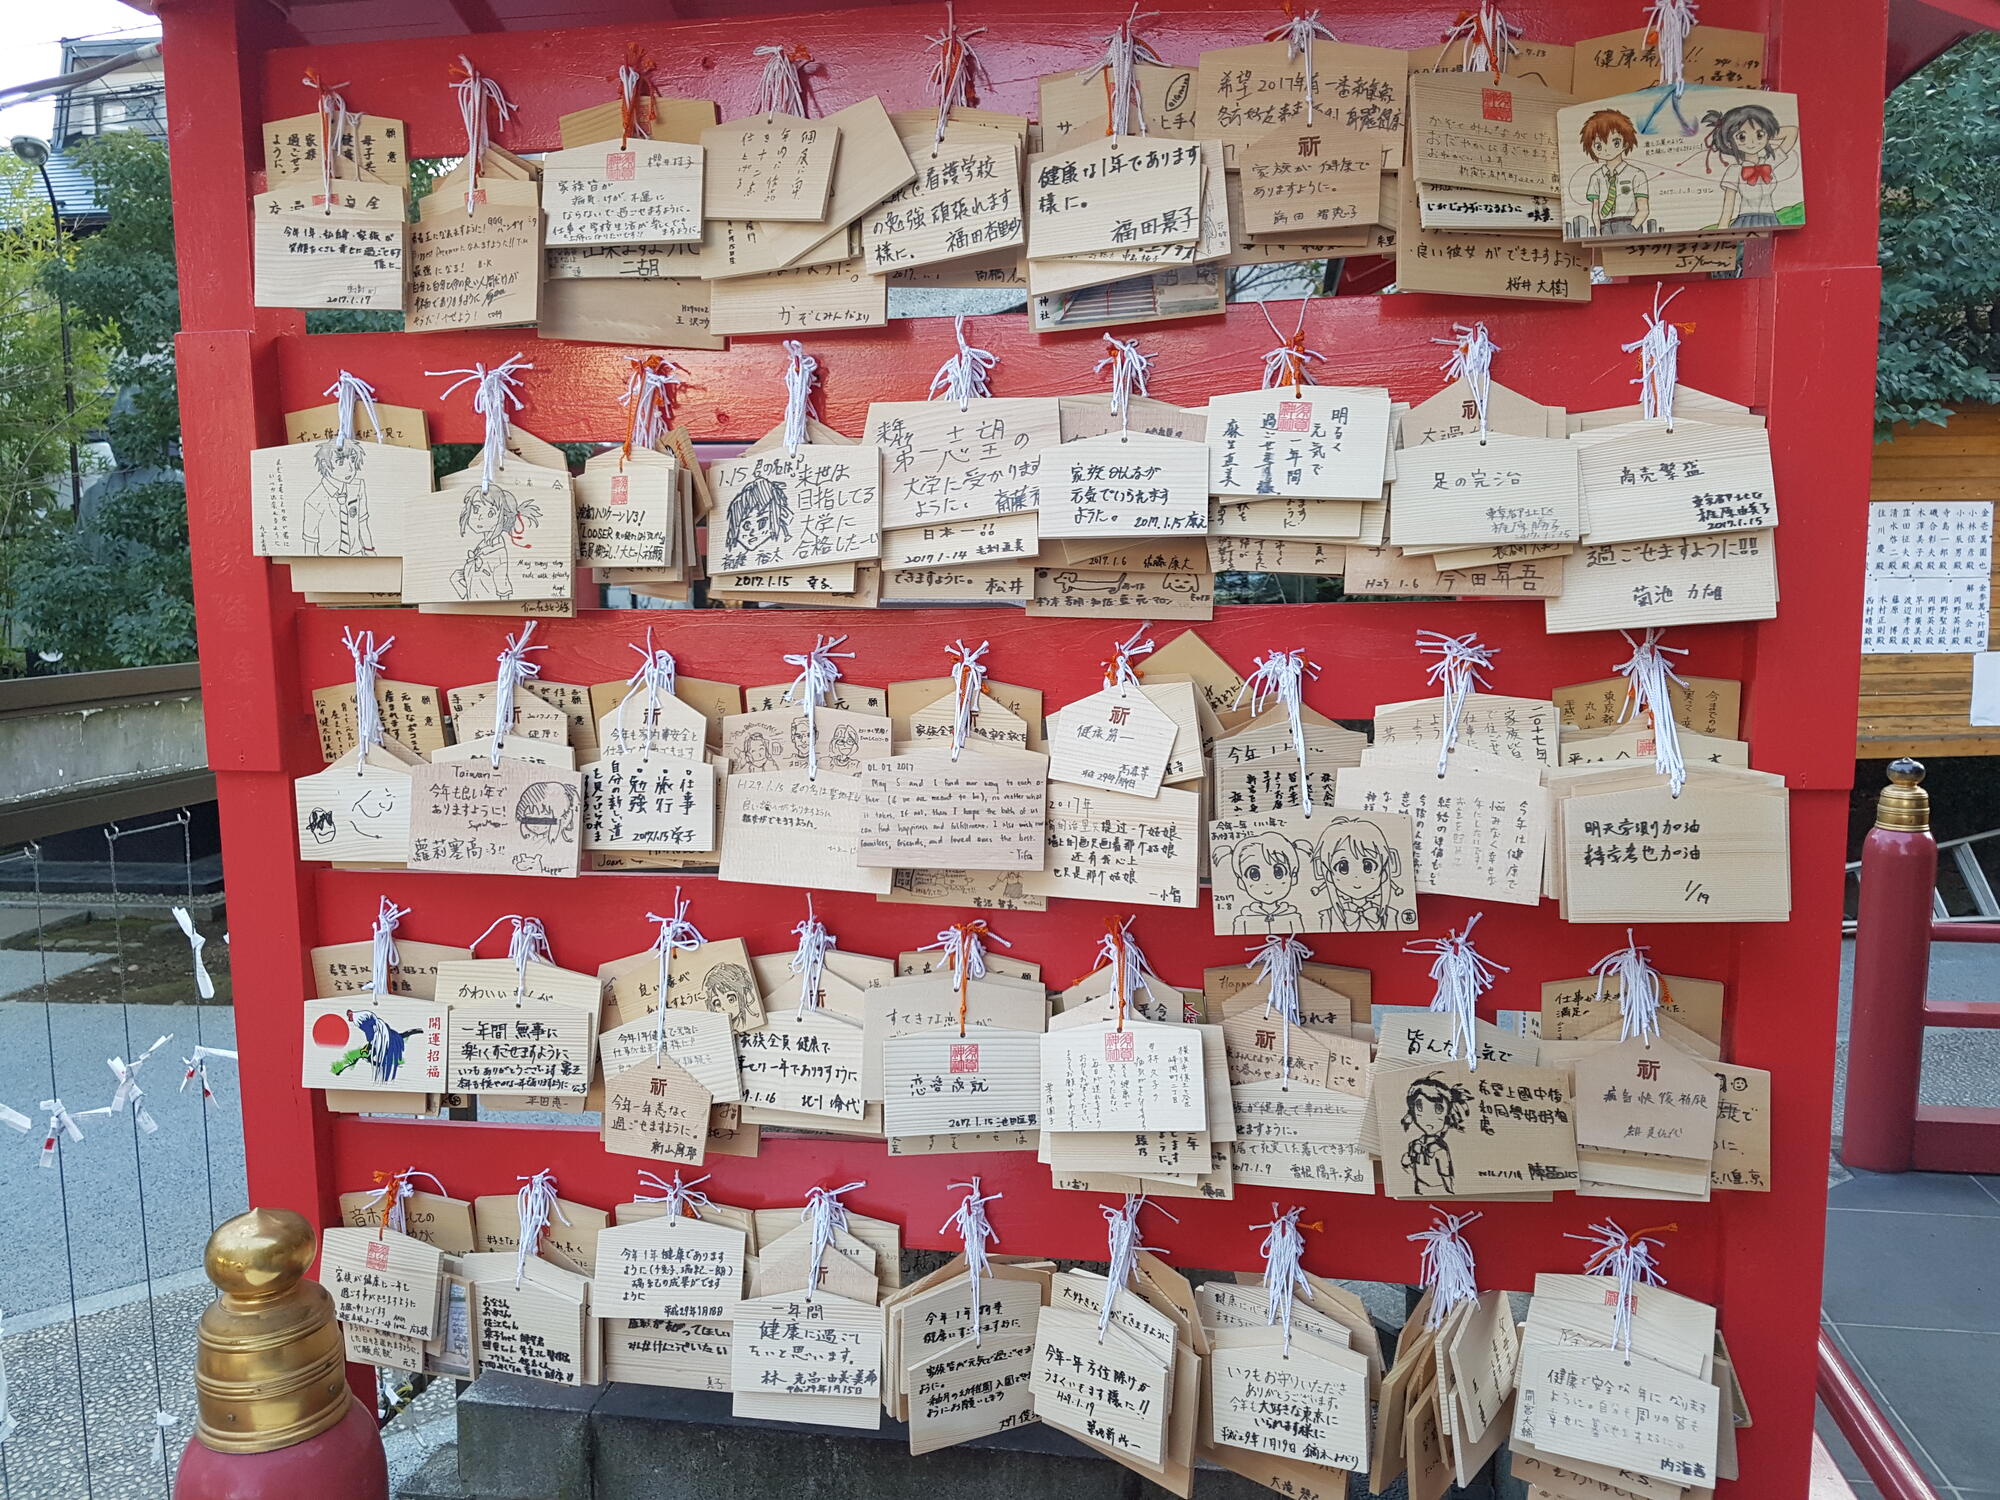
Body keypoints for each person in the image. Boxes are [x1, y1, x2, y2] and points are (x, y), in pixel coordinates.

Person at [1702, 102, 1797, 229]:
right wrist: (1722, 228)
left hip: (1770, 219)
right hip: (1745, 220)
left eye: (1759, 135)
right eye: (1742, 137)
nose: (1752, 142)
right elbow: (1729, 204)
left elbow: (1792, 132)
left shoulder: (1770, 161)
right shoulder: (1735, 170)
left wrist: (1768, 132)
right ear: (1730, 142)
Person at [1310, 819, 1408, 931]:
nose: (1356, 877)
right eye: (1342, 867)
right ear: (1328, 874)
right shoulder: (1327, 917)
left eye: (1368, 866)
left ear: (1384, 871)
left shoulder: (1392, 915)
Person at [452, 485, 541, 600]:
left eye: (490, 513)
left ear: (503, 519)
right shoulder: (481, 547)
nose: (479, 517)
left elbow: (503, 591)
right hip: (473, 607)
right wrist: (459, 581)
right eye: (476, 509)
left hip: (491, 608)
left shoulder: (498, 555)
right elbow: (476, 580)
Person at [1577, 108, 1650, 237]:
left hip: (1627, 223)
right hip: (1604, 225)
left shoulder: (1636, 174)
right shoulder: (1596, 177)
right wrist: (1598, 230)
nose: (1606, 149)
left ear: (1625, 143)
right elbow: (1595, 210)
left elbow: (1644, 208)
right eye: (1598, 146)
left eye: (1615, 142)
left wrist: (1632, 227)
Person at [1401, 1073, 1474, 1195]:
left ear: (1447, 1116)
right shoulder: (1414, 1144)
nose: (1428, 1117)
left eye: (1438, 1109)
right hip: (1419, 1188)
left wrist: (1451, 1192)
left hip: (1438, 1190)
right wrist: (1406, 1163)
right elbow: (1409, 1169)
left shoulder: (1439, 1149)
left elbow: (1445, 1174)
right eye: (1419, 1106)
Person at [301, 440, 374, 555]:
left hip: (357, 556)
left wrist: (370, 552)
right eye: (340, 462)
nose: (350, 468)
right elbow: (310, 544)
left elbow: (363, 524)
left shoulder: (357, 486)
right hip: (329, 561)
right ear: (325, 465)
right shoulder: (314, 501)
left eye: (353, 460)